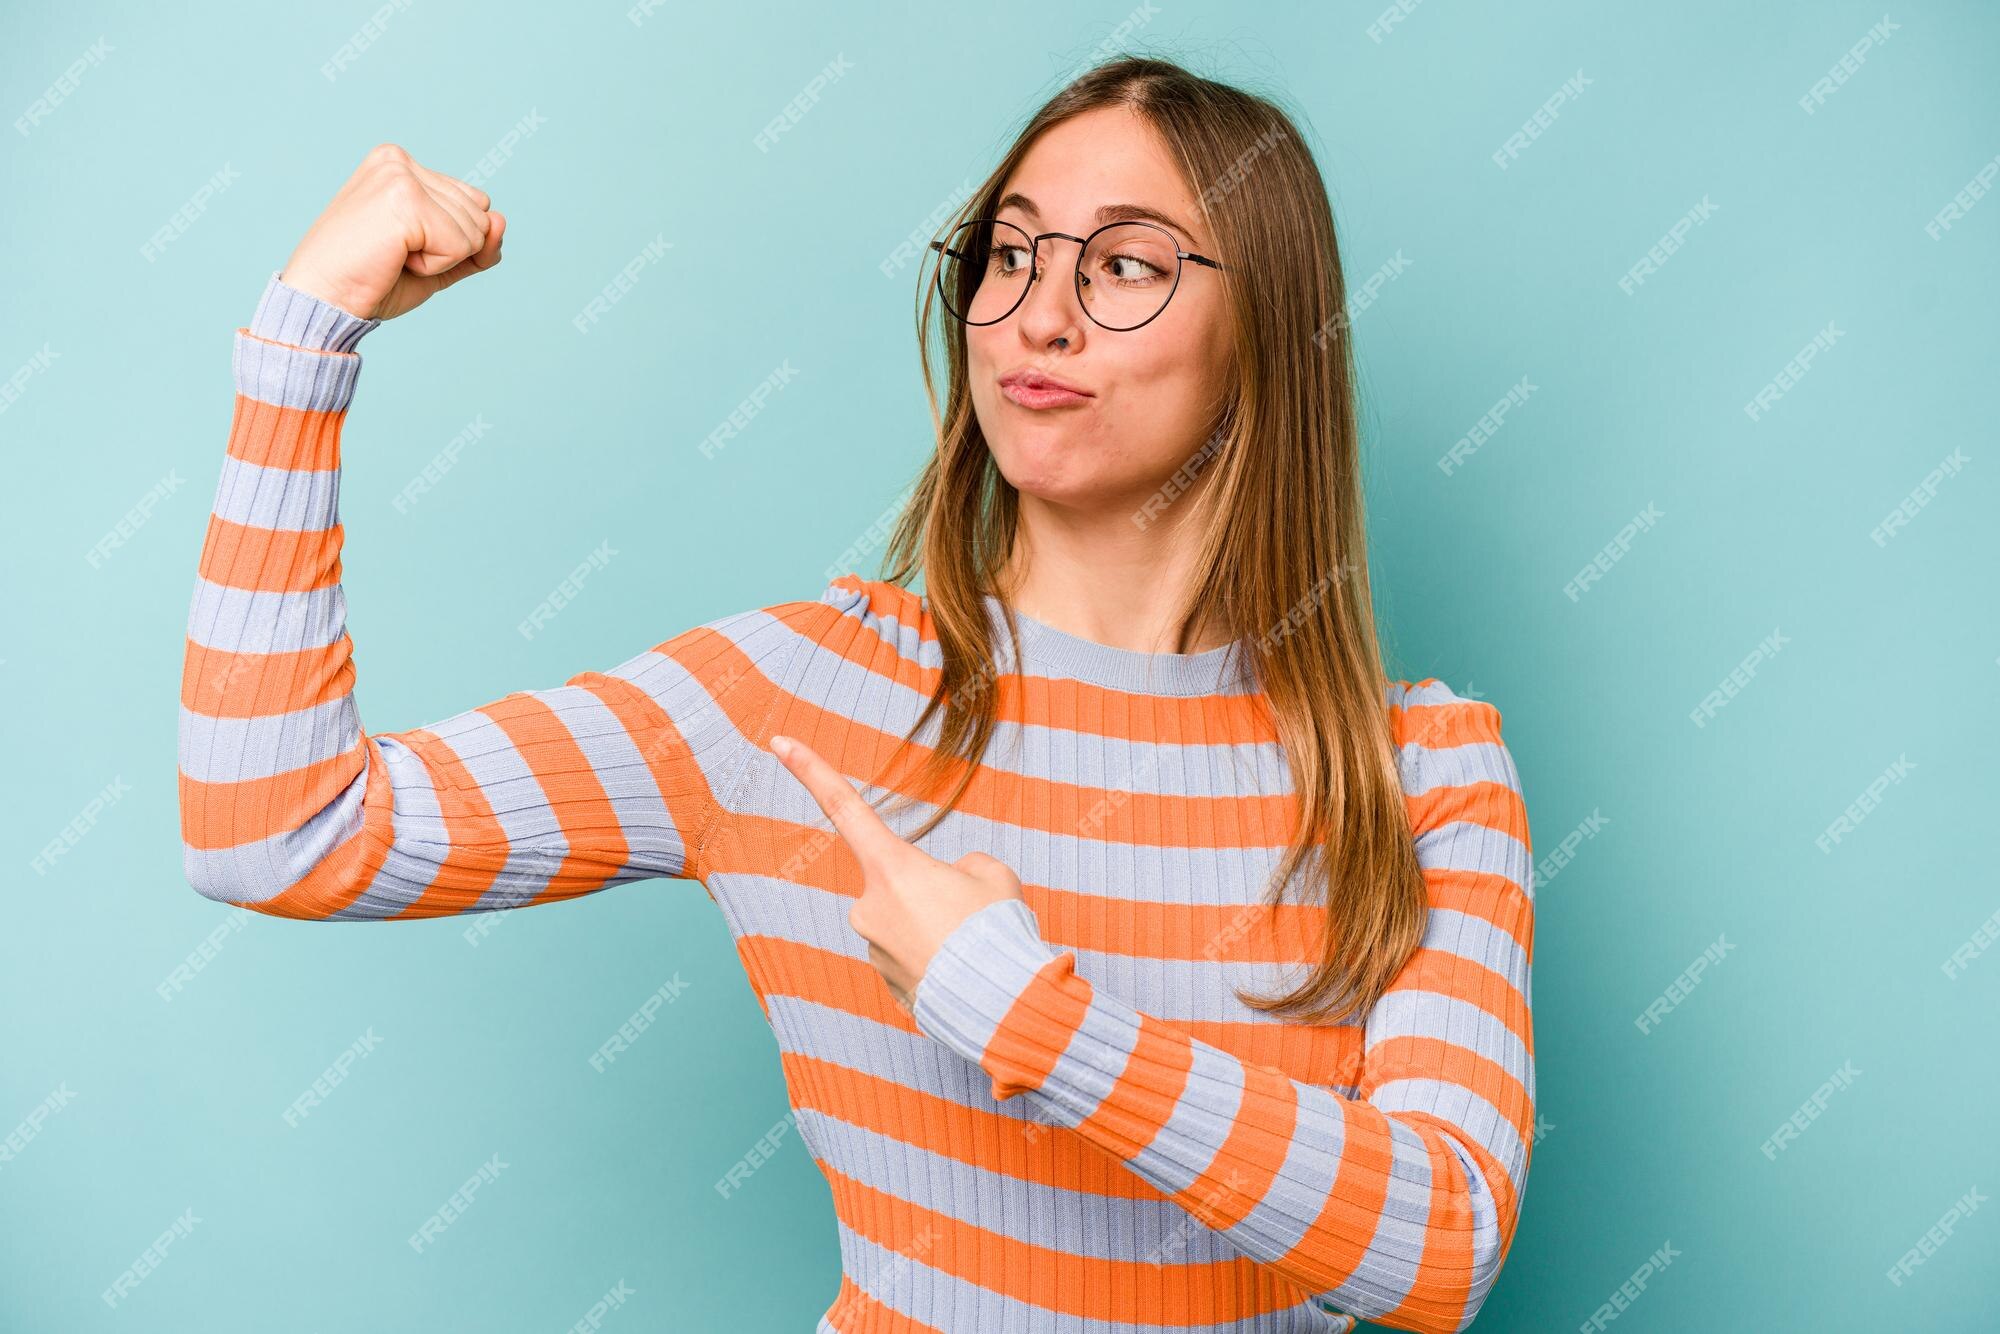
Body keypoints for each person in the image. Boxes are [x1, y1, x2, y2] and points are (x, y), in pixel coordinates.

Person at [179, 55, 1535, 1334]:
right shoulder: (798, 698)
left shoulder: (1420, 768)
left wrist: (1033, 1018)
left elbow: (1444, 1245)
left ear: (1271, 328)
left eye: (1125, 263)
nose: (1039, 313)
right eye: (1011, 253)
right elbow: (278, 826)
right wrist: (302, 346)